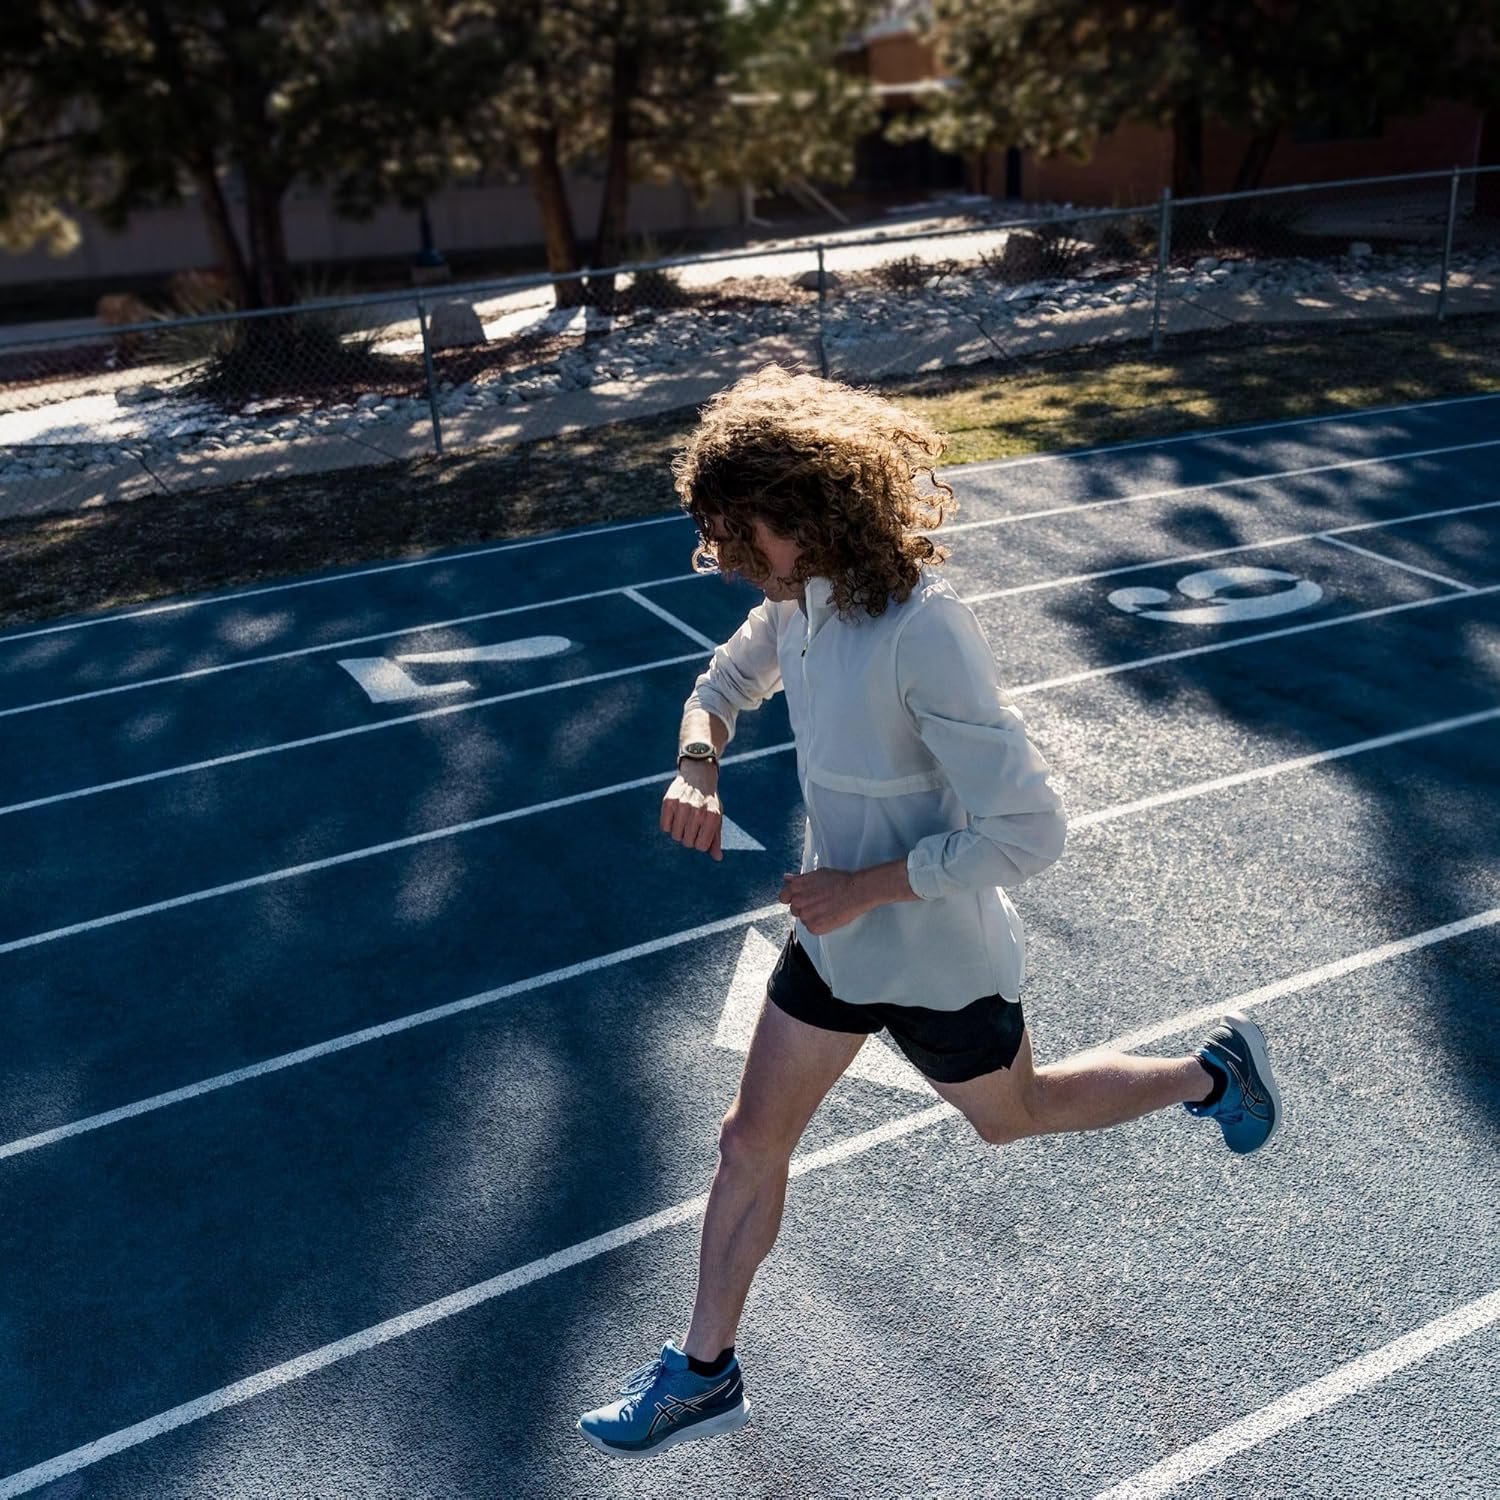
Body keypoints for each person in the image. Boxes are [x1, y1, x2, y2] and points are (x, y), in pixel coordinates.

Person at [576, 366, 1280, 1461]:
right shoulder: (797, 601)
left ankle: (1211, 1073)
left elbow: (1029, 833)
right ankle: (704, 1372)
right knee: (749, 1141)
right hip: (834, 944)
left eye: (740, 531)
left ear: (805, 511)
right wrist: (697, 767)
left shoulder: (923, 631)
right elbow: (717, 688)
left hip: (939, 955)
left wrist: (865, 885)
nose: (728, 557)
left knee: (1016, 1114)